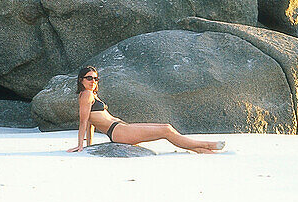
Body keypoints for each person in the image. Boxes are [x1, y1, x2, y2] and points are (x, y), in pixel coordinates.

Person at [67, 66, 224, 154]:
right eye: (89, 78)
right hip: (118, 132)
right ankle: (208, 145)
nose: (93, 81)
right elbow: (84, 121)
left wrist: (90, 144)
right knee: (167, 130)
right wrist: (81, 145)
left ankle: (202, 150)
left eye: (96, 78)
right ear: (81, 80)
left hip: (121, 128)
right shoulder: (86, 95)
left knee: (166, 128)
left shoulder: (91, 95)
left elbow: (91, 123)